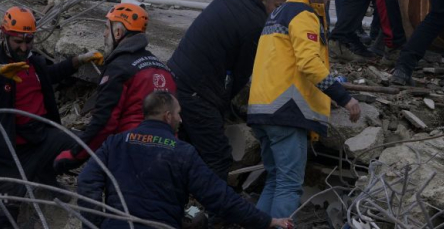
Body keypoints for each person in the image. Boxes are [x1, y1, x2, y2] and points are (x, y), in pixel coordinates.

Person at [247, 0, 361, 219]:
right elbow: (309, 62)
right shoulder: (303, 15)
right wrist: (344, 98)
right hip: (286, 112)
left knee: (275, 180)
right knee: (288, 184)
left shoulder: (277, 13)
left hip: (262, 110)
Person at [77, 91, 293, 229]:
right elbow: (219, 197)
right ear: (168, 116)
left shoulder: (115, 143)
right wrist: (266, 221)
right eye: (179, 113)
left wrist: (95, 224)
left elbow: (87, 183)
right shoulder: (182, 152)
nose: (181, 119)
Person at [167, 0, 289, 179]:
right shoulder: (254, 23)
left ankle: (180, 199)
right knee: (217, 155)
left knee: (186, 144)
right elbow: (242, 73)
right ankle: (216, 209)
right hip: (198, 89)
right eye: (277, 6)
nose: (278, 12)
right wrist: (223, 104)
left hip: (179, 75)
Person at [0, 7, 105, 227]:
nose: (24, 48)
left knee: (90, 146)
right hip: (9, 154)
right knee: (6, 213)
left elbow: (52, 74)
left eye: (29, 41)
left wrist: (80, 60)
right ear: (3, 35)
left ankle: (46, 175)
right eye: (18, 42)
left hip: (42, 138)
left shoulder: (34, 62)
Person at [54, 3, 176, 173]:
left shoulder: (119, 69)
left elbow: (104, 123)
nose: (104, 34)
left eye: (106, 28)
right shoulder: (163, 68)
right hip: (167, 156)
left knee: (89, 182)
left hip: (131, 156)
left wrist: (75, 156)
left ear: (118, 32)